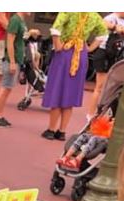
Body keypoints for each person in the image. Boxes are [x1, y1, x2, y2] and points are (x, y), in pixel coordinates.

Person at [41, 11, 107, 141]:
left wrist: (58, 45)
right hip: (80, 53)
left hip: (65, 52)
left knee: (58, 91)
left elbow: (55, 29)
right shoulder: (94, 15)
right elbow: (103, 34)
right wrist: (89, 48)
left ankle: (51, 129)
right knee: (70, 93)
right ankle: (62, 131)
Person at [0, 12, 29, 127]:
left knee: (7, 89)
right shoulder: (16, 20)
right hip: (12, 60)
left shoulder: (20, 21)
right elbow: (10, 41)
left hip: (17, 59)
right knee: (5, 88)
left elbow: (20, 38)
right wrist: (12, 61)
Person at [87, 12, 124, 116]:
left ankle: (102, 113)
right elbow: (103, 25)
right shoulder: (111, 18)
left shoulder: (123, 22)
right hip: (104, 53)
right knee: (100, 87)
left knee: (110, 87)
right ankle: (91, 114)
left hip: (115, 55)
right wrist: (115, 27)